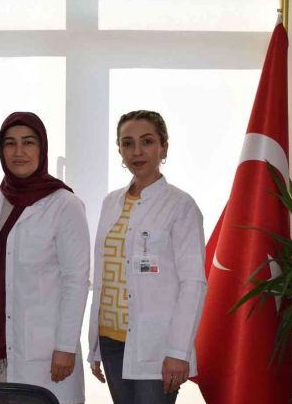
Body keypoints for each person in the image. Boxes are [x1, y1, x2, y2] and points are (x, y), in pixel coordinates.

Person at [87, 110, 207, 403]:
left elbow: (193, 283)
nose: (137, 151)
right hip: (111, 339)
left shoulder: (181, 205)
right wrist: (95, 346)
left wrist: (178, 352)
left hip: (157, 343)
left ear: (164, 147)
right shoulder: (111, 202)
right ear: (119, 150)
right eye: (127, 143)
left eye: (147, 141)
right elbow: (103, 275)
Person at [0, 112, 90, 404]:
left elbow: (76, 281)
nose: (19, 151)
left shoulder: (65, 205)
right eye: (10, 143)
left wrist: (66, 346)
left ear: (42, 148)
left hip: (44, 347)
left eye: (28, 142)